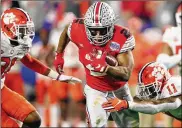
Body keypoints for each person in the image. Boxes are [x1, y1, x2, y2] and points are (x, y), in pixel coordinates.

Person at [54, 2, 139, 127]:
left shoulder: (121, 36)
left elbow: (126, 74)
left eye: (102, 30)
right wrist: (59, 54)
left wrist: (106, 68)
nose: (98, 35)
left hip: (118, 89)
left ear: (111, 26)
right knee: (98, 124)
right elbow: (67, 30)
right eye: (93, 31)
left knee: (131, 126)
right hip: (95, 88)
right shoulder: (78, 29)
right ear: (87, 27)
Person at [1, 8, 81, 128]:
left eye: (27, 31)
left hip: (2, 90)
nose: (26, 36)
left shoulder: (14, 45)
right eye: (21, 31)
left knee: (33, 119)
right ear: (7, 28)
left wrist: (57, 77)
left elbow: (30, 61)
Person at [102, 62, 181, 121]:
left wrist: (126, 104)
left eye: (150, 89)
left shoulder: (174, 87)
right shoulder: (161, 91)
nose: (148, 93)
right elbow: (137, 101)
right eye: (145, 89)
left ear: (163, 80)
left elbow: (155, 106)